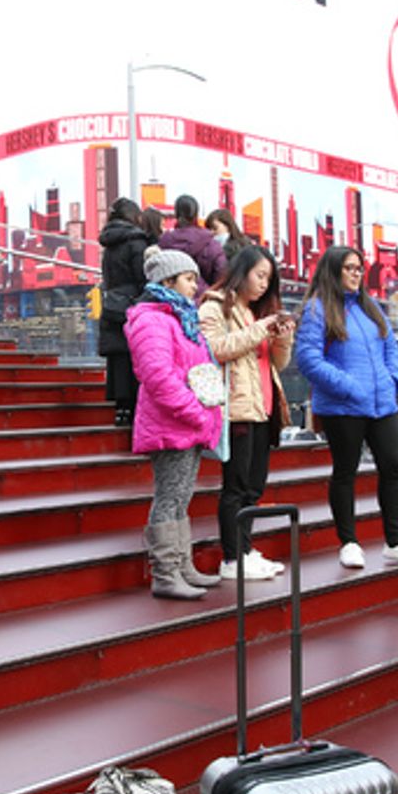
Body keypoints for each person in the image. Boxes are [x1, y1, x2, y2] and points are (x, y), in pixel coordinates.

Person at [295, 245, 398, 572]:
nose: (357, 273)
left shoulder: (371, 308)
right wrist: (348, 386)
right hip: (343, 407)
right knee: (346, 471)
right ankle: (349, 543)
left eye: (359, 268)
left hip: (381, 402)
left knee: (393, 466)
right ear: (334, 271)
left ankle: (395, 542)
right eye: (350, 268)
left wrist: (393, 380)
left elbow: (390, 346)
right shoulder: (317, 309)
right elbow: (308, 359)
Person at [125, 247, 225, 599]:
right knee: (169, 498)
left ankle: (182, 566)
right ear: (167, 281)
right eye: (188, 278)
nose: (194, 286)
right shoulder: (151, 320)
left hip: (187, 423)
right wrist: (195, 412)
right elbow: (158, 377)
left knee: (181, 497)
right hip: (172, 423)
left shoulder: (180, 317)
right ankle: (166, 573)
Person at [200, 246, 294, 580]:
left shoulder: (257, 312)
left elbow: (277, 365)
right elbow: (214, 349)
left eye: (269, 279)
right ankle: (231, 559)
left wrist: (282, 339)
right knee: (236, 487)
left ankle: (245, 550)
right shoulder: (215, 306)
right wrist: (261, 329)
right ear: (242, 272)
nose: (264, 285)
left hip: (263, 409)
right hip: (237, 410)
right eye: (260, 275)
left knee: (254, 487)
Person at [99, 198, 150, 426]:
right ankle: (135, 410)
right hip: (133, 305)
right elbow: (143, 279)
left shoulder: (109, 244)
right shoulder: (136, 242)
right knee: (135, 356)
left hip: (112, 304)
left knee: (119, 358)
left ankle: (121, 409)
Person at [160, 194, 226, 286]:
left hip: (170, 295)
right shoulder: (211, 242)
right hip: (204, 296)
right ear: (196, 214)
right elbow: (220, 273)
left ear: (176, 213)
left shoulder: (165, 241)